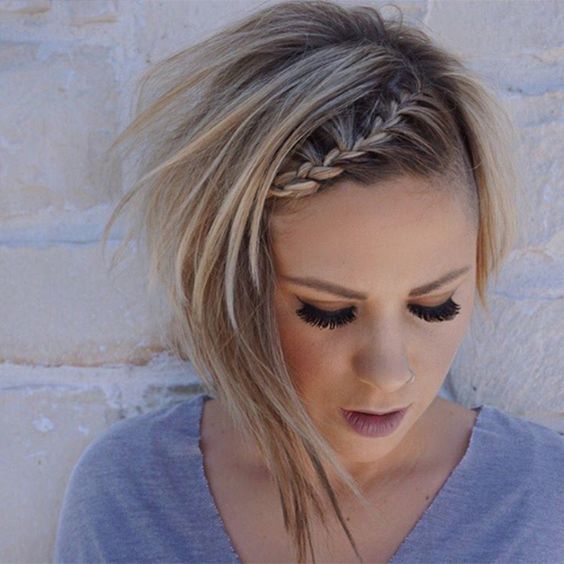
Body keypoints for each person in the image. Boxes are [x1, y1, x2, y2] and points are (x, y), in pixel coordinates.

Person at [53, 1, 564, 563]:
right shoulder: (127, 496)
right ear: (231, 285)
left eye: (435, 305)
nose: (389, 373)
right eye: (328, 312)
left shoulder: (545, 501)